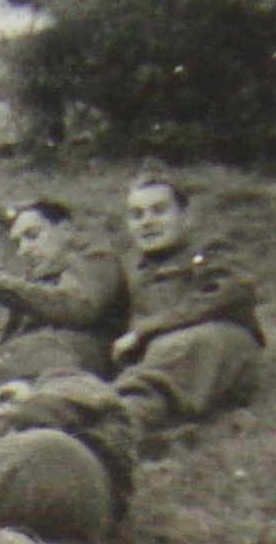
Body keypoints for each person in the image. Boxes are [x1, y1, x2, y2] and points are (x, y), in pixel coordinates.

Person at [0, 198, 128, 451]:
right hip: (22, 370)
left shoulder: (94, 259)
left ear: (65, 230)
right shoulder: (33, 285)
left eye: (32, 236)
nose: (23, 250)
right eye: (18, 243)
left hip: (61, 367)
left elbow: (78, 306)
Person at [109, 173, 265, 448]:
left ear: (185, 216)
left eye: (159, 210)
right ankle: (138, 428)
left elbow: (225, 294)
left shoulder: (212, 251)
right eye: (137, 215)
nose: (147, 222)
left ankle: (118, 430)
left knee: (182, 346)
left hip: (219, 347)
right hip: (164, 365)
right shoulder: (132, 269)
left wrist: (146, 331)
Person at [0, 371, 136, 544]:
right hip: (60, 518)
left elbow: (76, 402)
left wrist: (17, 410)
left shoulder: (58, 378)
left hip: (60, 459)